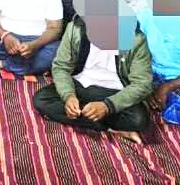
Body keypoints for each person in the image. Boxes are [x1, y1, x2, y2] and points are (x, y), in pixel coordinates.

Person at [33, 15, 152, 144]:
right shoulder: (76, 29)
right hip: (80, 85)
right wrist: (69, 96)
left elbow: (142, 84)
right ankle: (112, 128)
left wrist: (107, 106)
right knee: (42, 100)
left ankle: (88, 115)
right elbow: (61, 66)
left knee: (138, 119)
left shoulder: (135, 39)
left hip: (115, 91)